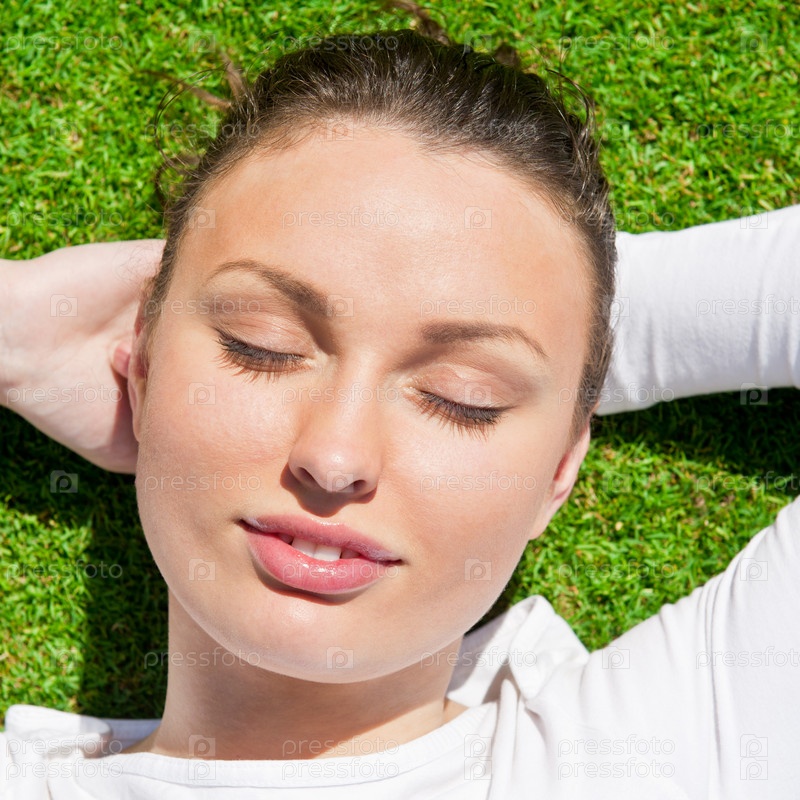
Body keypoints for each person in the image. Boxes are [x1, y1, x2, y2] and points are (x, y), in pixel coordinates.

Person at [1, 21, 798, 800]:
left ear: (560, 470)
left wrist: (563, 314)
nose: (335, 458)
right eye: (261, 345)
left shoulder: (668, 751)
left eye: (465, 397)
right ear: (142, 367)